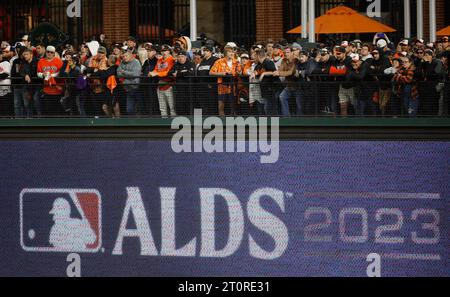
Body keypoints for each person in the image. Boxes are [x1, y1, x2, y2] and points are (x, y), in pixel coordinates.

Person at [210, 46, 242, 116]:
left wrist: (238, 72)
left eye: (233, 52)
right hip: (222, 87)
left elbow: (239, 72)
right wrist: (221, 73)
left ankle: (232, 121)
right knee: (221, 105)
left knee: (232, 105)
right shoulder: (218, 62)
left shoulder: (236, 62)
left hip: (233, 87)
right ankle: (222, 121)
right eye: (230, 52)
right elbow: (211, 72)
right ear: (225, 53)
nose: (232, 53)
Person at [149, 45, 176, 117]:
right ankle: (164, 123)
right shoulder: (159, 60)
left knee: (172, 107)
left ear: (169, 51)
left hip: (169, 84)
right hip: (160, 84)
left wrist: (156, 73)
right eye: (162, 51)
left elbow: (168, 72)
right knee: (162, 107)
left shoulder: (171, 59)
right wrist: (152, 73)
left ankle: (173, 123)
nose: (163, 52)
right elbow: (156, 69)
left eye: (165, 51)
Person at [251, 49, 280, 116]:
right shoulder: (258, 65)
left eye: (255, 56)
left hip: (272, 89)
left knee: (269, 108)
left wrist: (264, 73)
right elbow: (255, 71)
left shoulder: (268, 62)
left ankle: (274, 123)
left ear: (258, 56)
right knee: (266, 108)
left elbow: (274, 72)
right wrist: (253, 73)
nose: (254, 58)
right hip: (265, 90)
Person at [37, 46, 64, 116]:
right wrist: (43, 74)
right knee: (48, 109)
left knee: (57, 109)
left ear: (54, 53)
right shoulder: (41, 61)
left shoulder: (59, 61)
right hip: (47, 89)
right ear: (45, 52)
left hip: (57, 89)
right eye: (48, 51)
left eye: (51, 52)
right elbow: (38, 73)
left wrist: (52, 75)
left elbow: (62, 73)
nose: (49, 53)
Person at [276, 46, 302, 117]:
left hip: (298, 86)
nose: (286, 54)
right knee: (282, 97)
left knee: (299, 104)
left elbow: (291, 72)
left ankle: (300, 120)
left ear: (292, 52)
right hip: (289, 86)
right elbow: (280, 71)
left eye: (288, 52)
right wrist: (282, 72)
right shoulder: (284, 60)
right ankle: (286, 117)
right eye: (285, 52)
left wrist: (283, 73)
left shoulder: (296, 60)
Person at [117, 51, 142, 116]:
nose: (124, 58)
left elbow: (135, 74)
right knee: (129, 110)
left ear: (131, 56)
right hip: (127, 89)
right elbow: (118, 73)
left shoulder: (136, 62)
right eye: (123, 56)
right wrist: (128, 75)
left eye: (126, 56)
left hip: (136, 88)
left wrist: (124, 72)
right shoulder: (122, 62)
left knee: (139, 108)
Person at [17, 48, 39, 117]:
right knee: (27, 104)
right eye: (24, 55)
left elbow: (36, 72)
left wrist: (29, 75)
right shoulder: (23, 63)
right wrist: (25, 75)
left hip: (36, 86)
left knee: (36, 101)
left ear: (31, 55)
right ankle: (29, 119)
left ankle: (39, 118)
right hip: (27, 87)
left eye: (27, 54)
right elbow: (20, 72)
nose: (25, 56)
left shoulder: (37, 61)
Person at [171, 50, 195, 115]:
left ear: (186, 57)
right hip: (179, 90)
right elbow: (170, 73)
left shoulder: (190, 63)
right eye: (179, 56)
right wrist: (183, 72)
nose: (180, 58)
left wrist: (178, 73)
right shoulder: (176, 64)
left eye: (182, 56)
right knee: (180, 106)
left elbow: (191, 73)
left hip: (188, 89)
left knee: (189, 106)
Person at [196, 45, 218, 115]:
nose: (205, 52)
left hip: (210, 87)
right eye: (204, 51)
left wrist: (211, 84)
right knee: (202, 104)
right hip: (201, 86)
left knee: (211, 105)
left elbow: (215, 73)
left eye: (207, 51)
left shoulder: (215, 60)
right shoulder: (202, 61)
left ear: (211, 52)